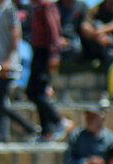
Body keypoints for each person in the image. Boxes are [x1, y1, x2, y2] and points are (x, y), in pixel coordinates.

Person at [0, 0, 37, 143]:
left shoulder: (9, 8)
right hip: (1, 62)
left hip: (7, 64)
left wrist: (7, 60)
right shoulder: (0, 10)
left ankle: (30, 127)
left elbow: (15, 34)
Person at [30, 0, 72, 141]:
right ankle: (46, 132)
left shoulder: (46, 4)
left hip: (44, 52)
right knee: (35, 92)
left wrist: (54, 54)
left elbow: (53, 29)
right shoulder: (38, 5)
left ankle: (59, 121)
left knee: (36, 91)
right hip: (38, 51)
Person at [82, 0, 113, 66]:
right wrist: (98, 36)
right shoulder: (95, 9)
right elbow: (85, 26)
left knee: (111, 52)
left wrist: (101, 31)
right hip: (96, 45)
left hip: (112, 45)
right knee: (97, 23)